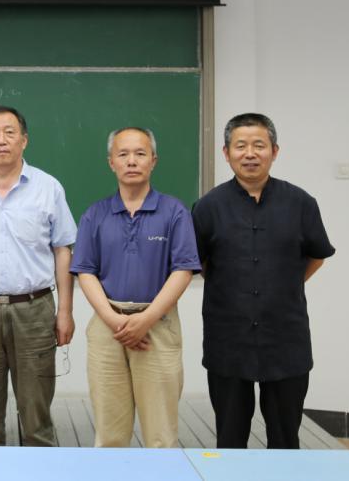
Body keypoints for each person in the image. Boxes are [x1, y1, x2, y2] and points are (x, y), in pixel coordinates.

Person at [192, 113, 335, 449]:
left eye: (259, 145)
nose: (250, 153)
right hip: (228, 339)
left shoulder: (301, 203)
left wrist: (284, 284)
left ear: (275, 151)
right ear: (226, 153)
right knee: (230, 439)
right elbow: (198, 263)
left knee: (285, 440)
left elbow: (316, 255)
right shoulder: (208, 207)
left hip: (285, 339)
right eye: (240, 146)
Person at [71, 127, 200, 448]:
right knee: (109, 433)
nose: (132, 161)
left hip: (157, 325)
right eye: (123, 154)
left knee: (160, 434)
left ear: (153, 161)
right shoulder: (95, 214)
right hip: (108, 327)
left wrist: (146, 319)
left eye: (140, 154)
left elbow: (183, 270)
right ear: (111, 162)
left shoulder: (175, 212)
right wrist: (114, 319)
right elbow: (85, 272)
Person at [0, 105, 77, 446]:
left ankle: (37, 464)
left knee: (36, 417)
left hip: (35, 309)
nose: (1, 140)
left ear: (24, 140)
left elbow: (63, 250)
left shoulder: (48, 187)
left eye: (9, 132)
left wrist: (65, 311)